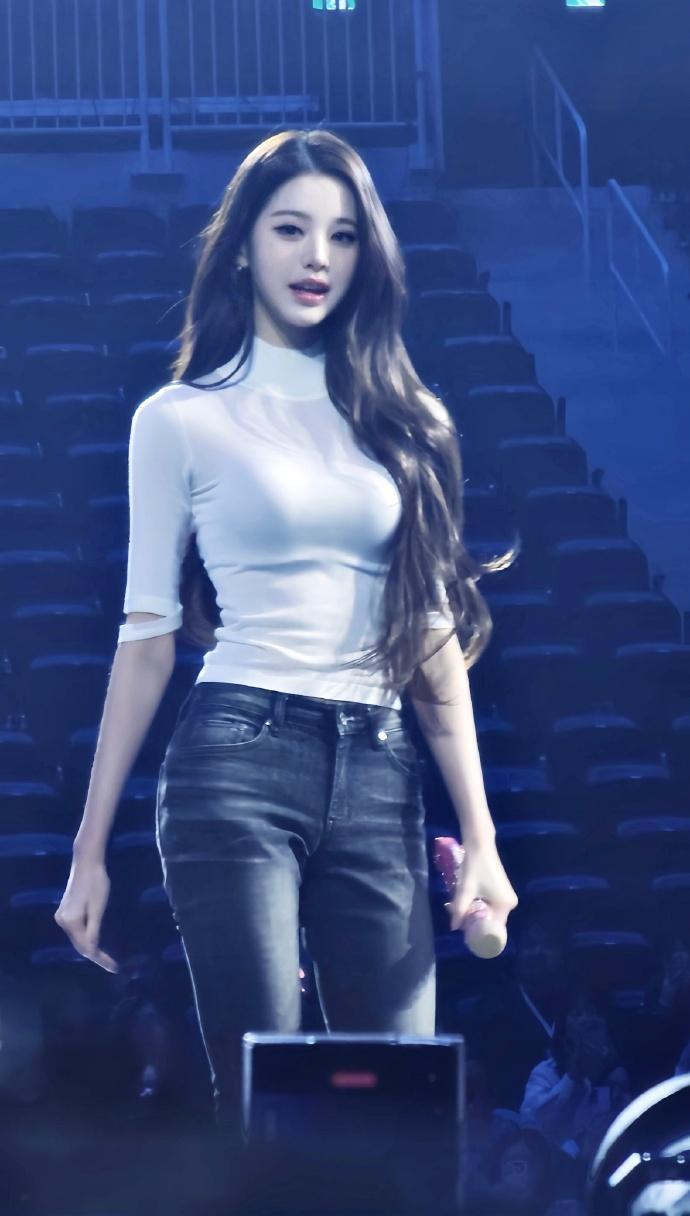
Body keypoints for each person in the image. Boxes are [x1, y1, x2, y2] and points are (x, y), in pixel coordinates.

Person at [53, 128, 519, 1151]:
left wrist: (481, 835)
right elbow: (147, 637)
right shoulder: (180, 418)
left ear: (367, 257)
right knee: (273, 1108)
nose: (317, 256)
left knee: (401, 1112)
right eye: (291, 229)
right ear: (242, 247)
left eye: (343, 235)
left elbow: (431, 641)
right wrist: (88, 853)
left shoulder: (408, 421)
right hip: (236, 759)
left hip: (381, 766)